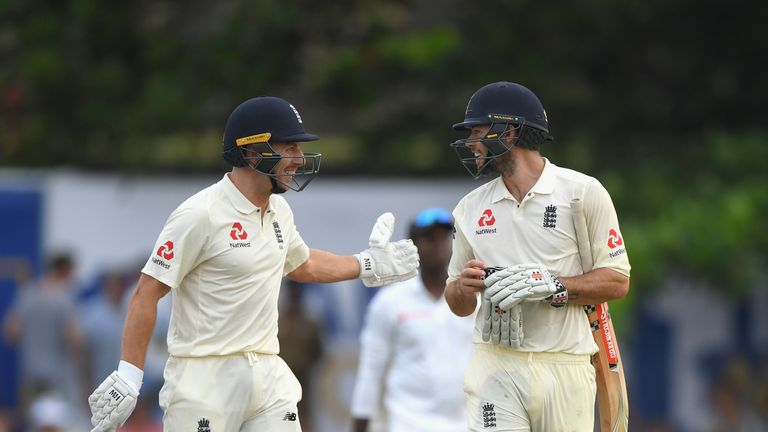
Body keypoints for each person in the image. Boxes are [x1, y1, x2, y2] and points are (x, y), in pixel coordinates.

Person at [86, 96, 420, 432]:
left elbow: (302, 263)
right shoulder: (199, 214)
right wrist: (129, 374)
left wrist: (367, 263)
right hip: (204, 379)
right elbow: (147, 292)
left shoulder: (279, 211)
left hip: (266, 373)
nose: (299, 159)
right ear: (252, 152)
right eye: (289, 148)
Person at [443, 81, 631, 431]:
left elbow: (617, 282)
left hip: (565, 363)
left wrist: (552, 284)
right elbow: (458, 303)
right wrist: (462, 288)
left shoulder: (582, 193)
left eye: (478, 131)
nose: (470, 143)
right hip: (495, 364)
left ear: (509, 132)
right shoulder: (470, 208)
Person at [351, 207, 475, 432]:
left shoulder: (471, 297)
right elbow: (371, 372)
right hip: (408, 422)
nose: (438, 244)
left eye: (443, 237)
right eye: (429, 237)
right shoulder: (390, 301)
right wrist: (359, 425)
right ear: (412, 245)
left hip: (468, 423)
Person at [2, 252, 86, 426]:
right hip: (57, 377)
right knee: (58, 425)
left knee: (33, 424)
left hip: (31, 373)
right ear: (64, 271)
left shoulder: (28, 294)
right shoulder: (63, 298)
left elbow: (11, 333)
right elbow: (74, 339)